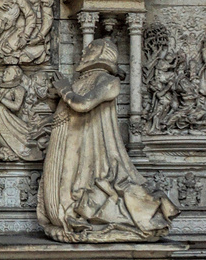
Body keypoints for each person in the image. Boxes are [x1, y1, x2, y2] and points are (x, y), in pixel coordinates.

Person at [38, 38, 178, 242]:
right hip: (67, 143)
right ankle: (65, 216)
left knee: (74, 192)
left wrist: (65, 90)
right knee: (59, 192)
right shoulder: (80, 81)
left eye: (91, 48)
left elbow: (84, 104)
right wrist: (57, 93)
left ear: (104, 53)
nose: (85, 51)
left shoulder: (108, 81)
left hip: (86, 149)